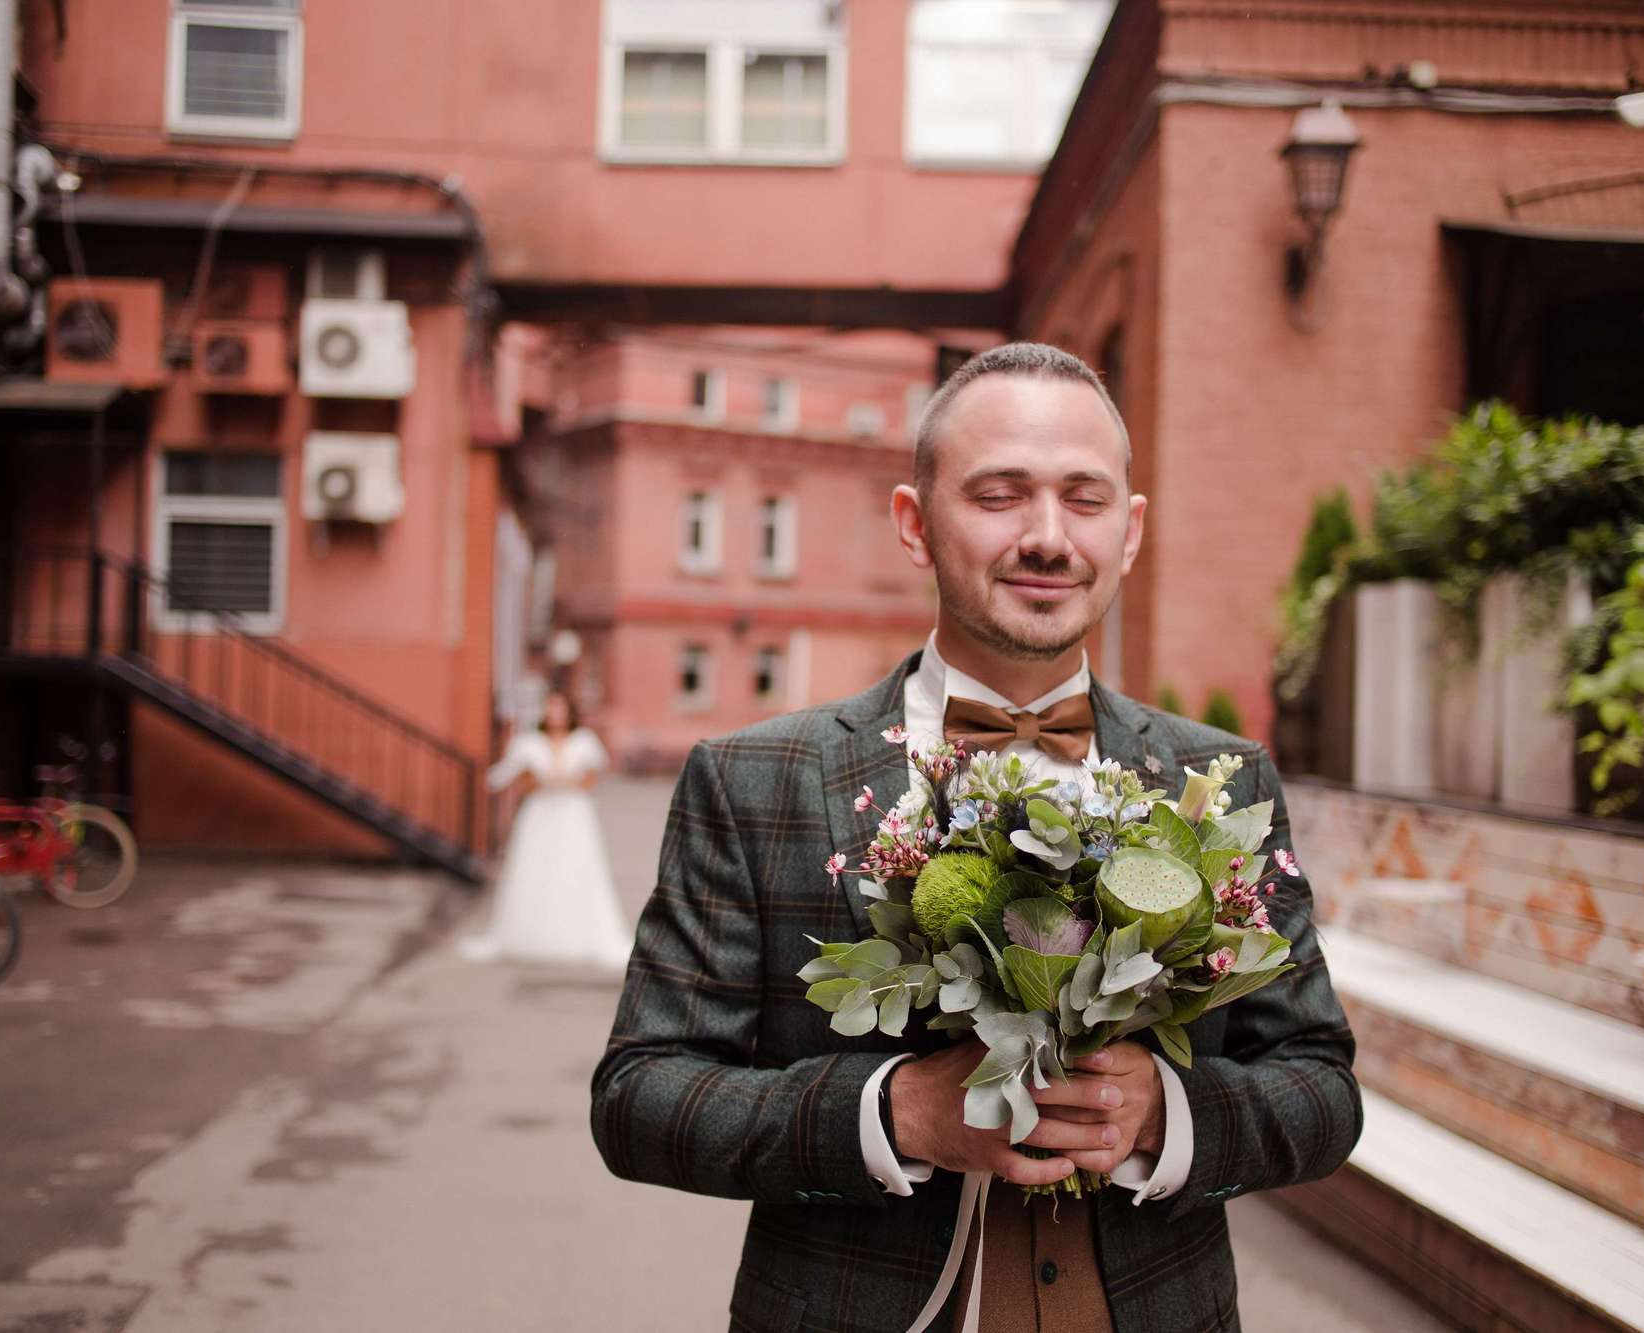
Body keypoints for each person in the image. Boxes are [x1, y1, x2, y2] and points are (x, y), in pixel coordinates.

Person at [592, 343, 1361, 1331]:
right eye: (998, 495)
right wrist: (888, 1112)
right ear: (915, 524)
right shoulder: (751, 780)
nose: (1046, 537)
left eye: (1082, 500)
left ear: (1127, 533)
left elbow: (1320, 1089)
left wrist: (1166, 1113)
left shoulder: (1220, 783)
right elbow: (640, 1098)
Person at [460, 690, 633, 969]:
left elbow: (592, 777)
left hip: (573, 814)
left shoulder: (584, 741)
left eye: (559, 708)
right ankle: (530, 931)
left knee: (574, 867)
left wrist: (568, 783)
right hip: (540, 813)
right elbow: (519, 781)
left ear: (569, 711)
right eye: (549, 708)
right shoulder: (529, 743)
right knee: (535, 868)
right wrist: (542, 782)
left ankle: (576, 932)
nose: (553, 714)